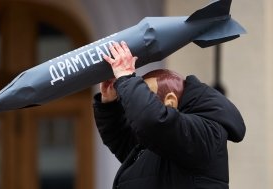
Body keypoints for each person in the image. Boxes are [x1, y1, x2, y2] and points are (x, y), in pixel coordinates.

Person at [93, 41, 246, 189]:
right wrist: (110, 103)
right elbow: (127, 144)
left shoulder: (207, 133)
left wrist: (126, 78)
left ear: (170, 101)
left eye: (149, 97)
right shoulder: (164, 140)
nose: (140, 106)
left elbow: (151, 120)